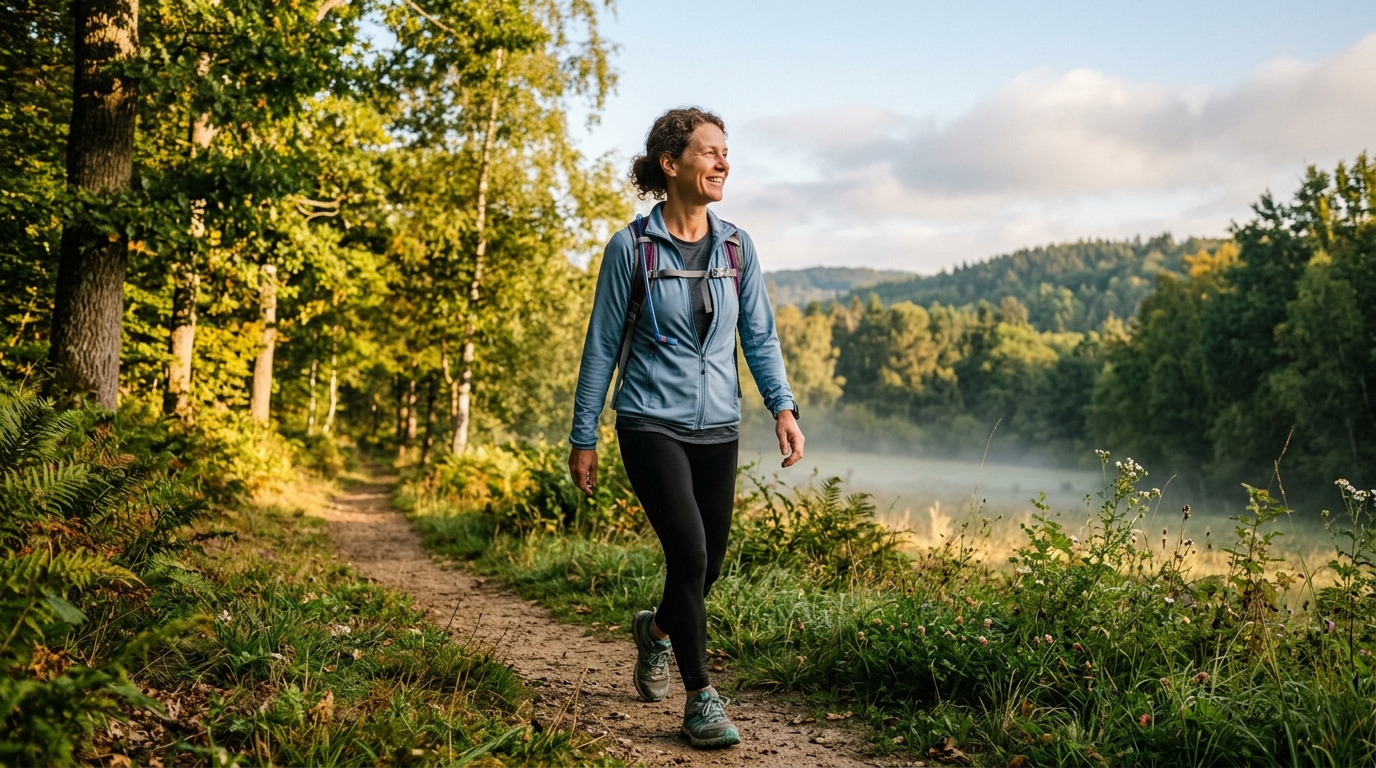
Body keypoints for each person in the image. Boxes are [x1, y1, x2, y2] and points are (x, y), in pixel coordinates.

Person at [568, 107, 805, 749]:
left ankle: (658, 632)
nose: (723, 162)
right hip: (649, 421)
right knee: (690, 552)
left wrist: (782, 407)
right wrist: (583, 435)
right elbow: (601, 347)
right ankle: (702, 697)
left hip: (718, 426)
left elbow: (758, 334)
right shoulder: (632, 248)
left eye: (726, 151)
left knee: (710, 566)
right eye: (709, 152)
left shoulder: (736, 247)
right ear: (671, 165)